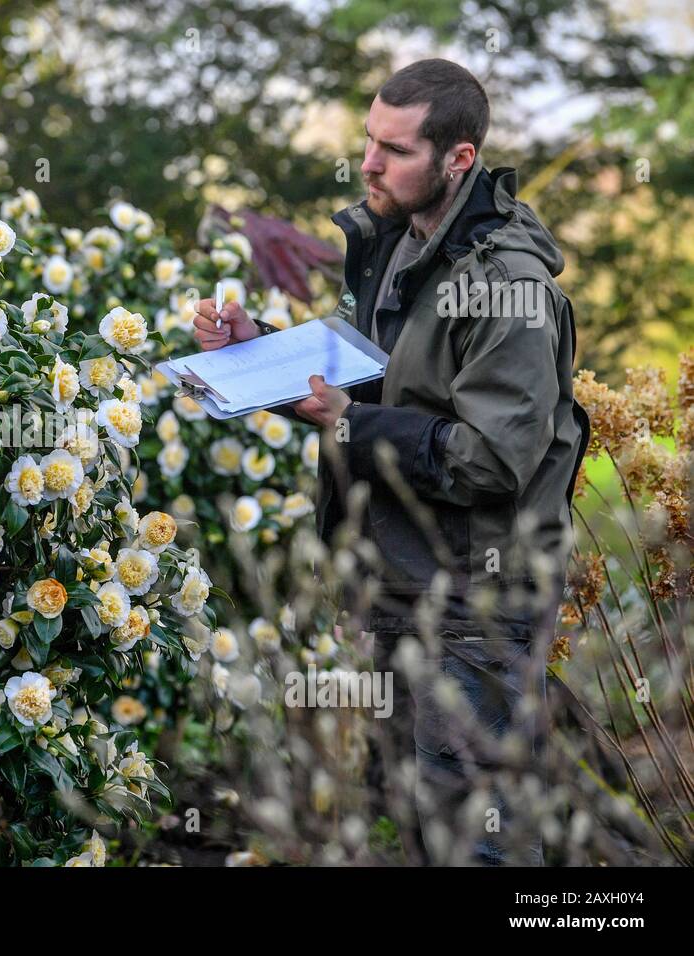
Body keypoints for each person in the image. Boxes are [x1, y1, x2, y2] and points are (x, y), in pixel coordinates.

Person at [192, 58, 591, 865]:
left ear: (459, 159)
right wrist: (259, 353)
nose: (368, 164)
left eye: (395, 150)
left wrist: (357, 423)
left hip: (478, 603)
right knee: (415, 824)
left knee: (480, 839)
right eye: (369, 141)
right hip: (403, 587)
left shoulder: (503, 285)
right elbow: (379, 387)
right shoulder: (399, 243)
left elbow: (488, 462)